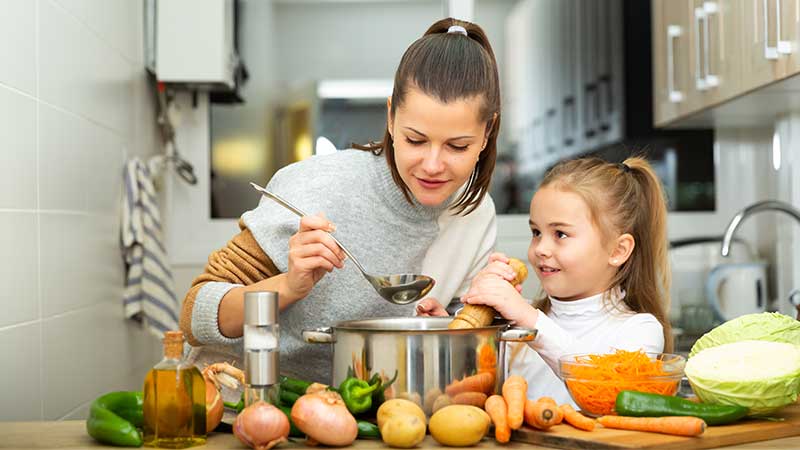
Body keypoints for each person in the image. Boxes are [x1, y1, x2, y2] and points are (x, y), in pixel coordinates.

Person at [179, 18, 502, 383]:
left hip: (358, 405)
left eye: (457, 146)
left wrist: (442, 327)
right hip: (240, 394)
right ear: (391, 117)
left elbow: (461, 338)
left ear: (487, 132)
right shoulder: (319, 186)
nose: (432, 164)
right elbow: (195, 314)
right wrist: (288, 287)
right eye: (415, 140)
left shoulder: (476, 215)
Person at [461, 157, 672, 404]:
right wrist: (456, 328)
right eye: (536, 232)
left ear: (618, 250)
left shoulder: (640, 329)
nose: (540, 249)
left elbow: (611, 393)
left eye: (560, 234)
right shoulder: (515, 322)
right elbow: (470, 384)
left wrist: (530, 321)